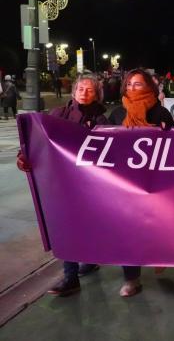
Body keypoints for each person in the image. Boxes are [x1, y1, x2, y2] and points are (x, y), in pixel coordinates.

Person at [17, 74, 107, 296]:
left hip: (90, 184)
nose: (84, 93)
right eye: (81, 89)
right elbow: (36, 140)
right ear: (74, 91)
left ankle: (90, 260)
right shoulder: (59, 114)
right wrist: (23, 156)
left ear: (97, 94)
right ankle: (70, 276)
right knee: (65, 226)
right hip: (62, 182)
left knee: (88, 226)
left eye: (90, 90)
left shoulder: (103, 120)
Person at [108, 68, 174, 297]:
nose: (133, 88)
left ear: (149, 87)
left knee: (156, 225)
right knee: (127, 230)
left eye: (138, 84)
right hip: (124, 182)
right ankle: (131, 279)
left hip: (154, 180)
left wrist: (166, 134)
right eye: (129, 84)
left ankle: (161, 255)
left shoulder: (161, 113)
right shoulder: (117, 114)